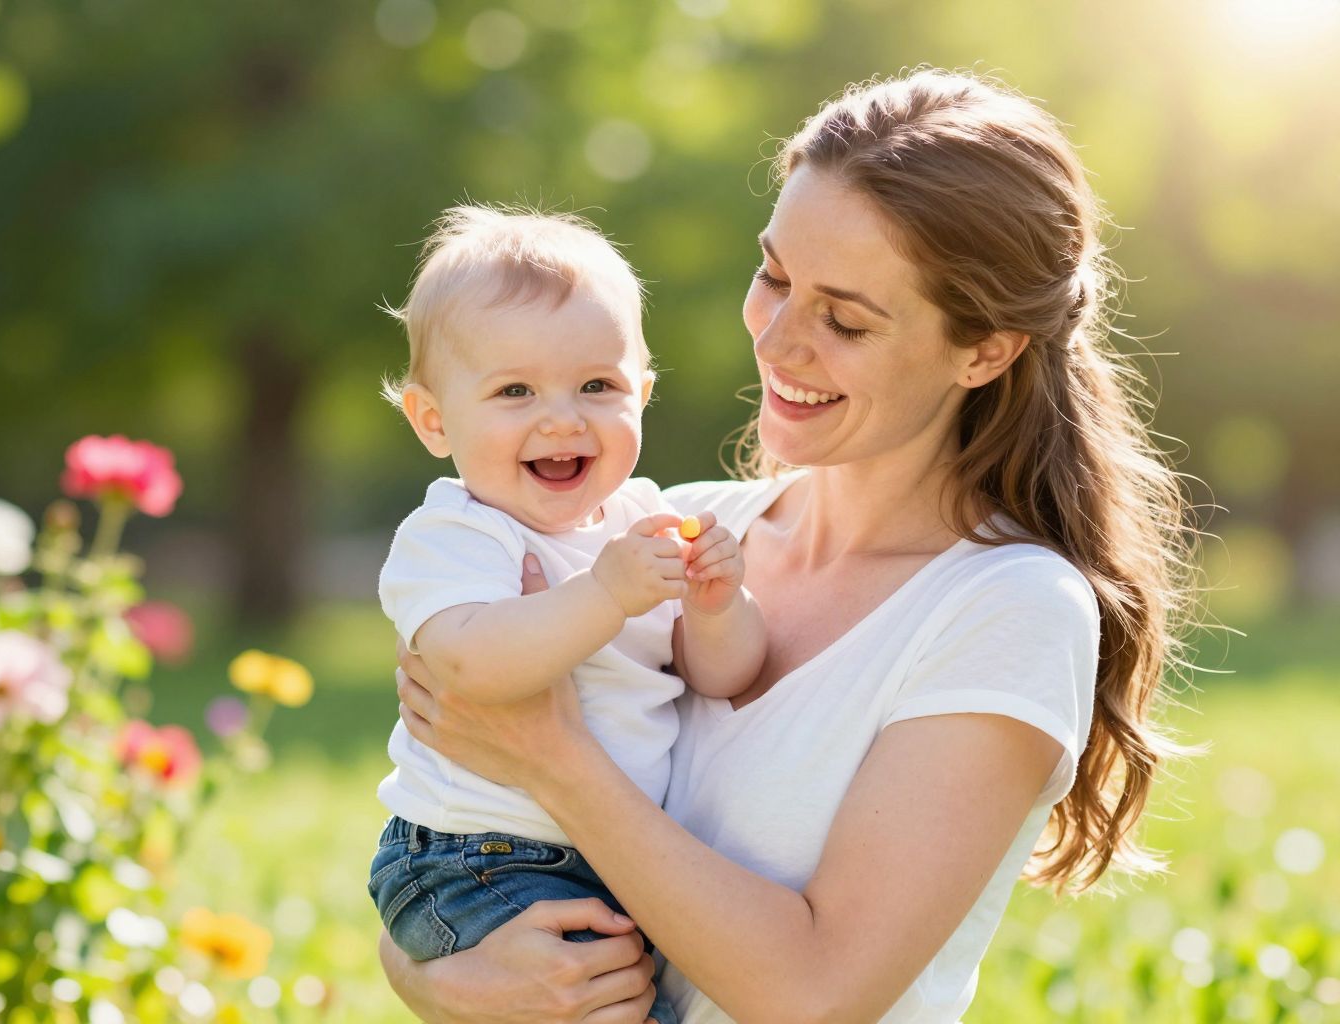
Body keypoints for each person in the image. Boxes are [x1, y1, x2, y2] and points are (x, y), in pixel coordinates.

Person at [376, 68, 1199, 1023]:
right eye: (773, 277)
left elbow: (817, 994)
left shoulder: (1008, 608)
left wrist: (553, 759)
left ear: (984, 350)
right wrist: (439, 978)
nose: (775, 341)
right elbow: (447, 837)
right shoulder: (671, 528)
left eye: (844, 320)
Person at [370, 206, 768, 1024]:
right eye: (514, 391)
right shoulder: (457, 533)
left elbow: (723, 676)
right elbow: (471, 667)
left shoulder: (644, 518)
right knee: (608, 1006)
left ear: (642, 395)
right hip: (475, 854)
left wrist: (717, 606)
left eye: (597, 386)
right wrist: (606, 596)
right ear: (434, 420)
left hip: (613, 858)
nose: (562, 417)